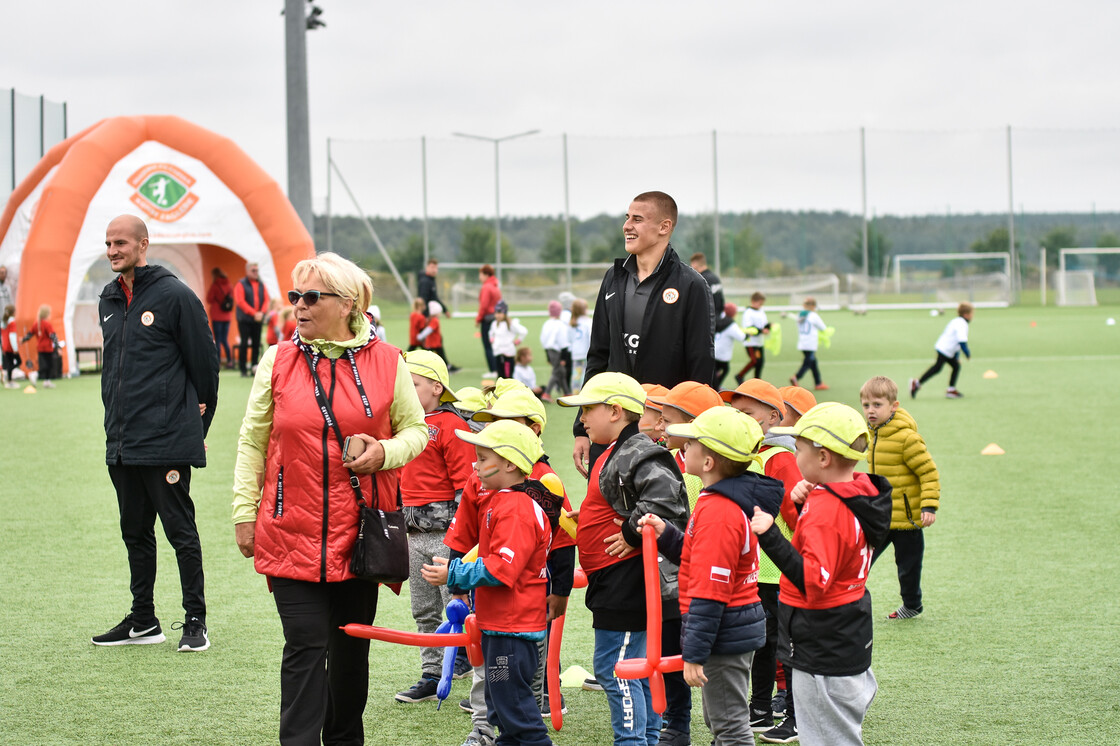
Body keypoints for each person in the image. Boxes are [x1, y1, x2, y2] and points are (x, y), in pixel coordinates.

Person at [231, 251, 427, 744]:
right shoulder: (277, 359)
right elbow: (253, 439)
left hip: (359, 535)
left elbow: (417, 431)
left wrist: (383, 451)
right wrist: (243, 511)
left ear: (348, 304)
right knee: (304, 644)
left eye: (311, 296)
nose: (298, 305)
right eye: (295, 295)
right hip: (287, 529)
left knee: (348, 653)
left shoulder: (388, 361)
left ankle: (344, 739)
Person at [91, 214, 220, 653]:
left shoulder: (175, 295)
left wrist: (196, 427)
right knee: (134, 532)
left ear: (143, 245)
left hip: (166, 441)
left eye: (121, 242)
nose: (113, 250)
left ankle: (196, 620)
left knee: (180, 531)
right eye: (108, 243)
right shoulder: (108, 298)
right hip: (122, 442)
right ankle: (143, 620)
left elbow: (206, 366)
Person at [558, 372, 690, 746]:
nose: (582, 420)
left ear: (615, 411)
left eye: (587, 410)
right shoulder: (617, 450)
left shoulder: (637, 449)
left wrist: (632, 533)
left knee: (615, 668)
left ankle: (631, 742)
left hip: (625, 578)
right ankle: (644, 740)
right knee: (631, 666)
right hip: (613, 578)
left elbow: (667, 501)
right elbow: (625, 500)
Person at [749, 403, 892, 746]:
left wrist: (769, 535)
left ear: (824, 457)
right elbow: (829, 549)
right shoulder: (853, 492)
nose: (795, 455)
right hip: (846, 633)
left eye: (799, 448)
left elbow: (813, 578)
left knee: (827, 738)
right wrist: (804, 506)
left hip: (824, 643)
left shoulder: (828, 507)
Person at [639, 406, 783, 746]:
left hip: (723, 633)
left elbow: (709, 590)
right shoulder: (717, 499)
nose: (683, 447)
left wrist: (694, 653)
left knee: (730, 727)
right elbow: (697, 556)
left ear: (708, 463)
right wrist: (667, 535)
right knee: (721, 719)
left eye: (691, 443)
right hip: (730, 627)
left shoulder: (719, 511)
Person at [423, 420, 555, 746]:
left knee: (516, 711)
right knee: (500, 708)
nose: (475, 466)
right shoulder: (501, 500)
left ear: (510, 463)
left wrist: (454, 574)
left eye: (482, 459)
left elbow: (501, 569)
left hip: (512, 633)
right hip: (499, 631)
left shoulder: (516, 508)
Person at [573, 191, 715, 478]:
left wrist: (690, 428)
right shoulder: (613, 278)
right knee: (604, 514)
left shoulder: (691, 285)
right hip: (613, 423)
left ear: (664, 227)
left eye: (637, 219)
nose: (627, 225)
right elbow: (598, 356)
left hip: (664, 429)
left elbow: (700, 366)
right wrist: (581, 427)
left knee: (657, 516)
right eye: (627, 218)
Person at [720, 379, 803, 742]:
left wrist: (799, 556)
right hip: (758, 568)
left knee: (780, 641)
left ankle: (790, 712)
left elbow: (798, 513)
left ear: (773, 417)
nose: (740, 419)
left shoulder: (779, 458)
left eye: (747, 414)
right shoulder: (750, 457)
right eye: (735, 413)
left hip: (776, 569)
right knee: (763, 641)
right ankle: (761, 709)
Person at [645, 380, 724, 746]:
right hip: (668, 575)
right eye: (658, 417)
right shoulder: (666, 460)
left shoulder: (710, 471)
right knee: (668, 649)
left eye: (668, 419)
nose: (661, 425)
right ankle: (676, 723)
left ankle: (724, 725)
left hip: (700, 580)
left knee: (706, 656)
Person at [394, 350, 476, 703]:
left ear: (436, 387)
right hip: (413, 534)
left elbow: (465, 487)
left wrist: (460, 538)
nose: (406, 391)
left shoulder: (450, 425)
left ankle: (475, 666)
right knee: (423, 607)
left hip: (446, 535)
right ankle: (431, 672)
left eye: (412, 384)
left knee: (457, 605)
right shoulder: (402, 425)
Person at [860, 375, 940, 620]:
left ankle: (912, 604)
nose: (870, 411)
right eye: (866, 405)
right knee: (860, 560)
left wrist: (928, 506)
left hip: (908, 520)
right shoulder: (871, 434)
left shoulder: (907, 438)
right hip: (881, 516)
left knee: (908, 568)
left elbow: (928, 472)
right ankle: (847, 602)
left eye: (877, 405)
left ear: (893, 406)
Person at [911, 302, 973, 399]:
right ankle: (917, 383)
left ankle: (951, 390)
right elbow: (962, 342)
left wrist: (956, 356)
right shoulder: (962, 324)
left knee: (955, 366)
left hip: (945, 348)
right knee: (938, 368)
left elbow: (956, 341)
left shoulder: (956, 320)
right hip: (945, 349)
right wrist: (967, 353)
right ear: (966, 314)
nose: (972, 316)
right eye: (971, 314)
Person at [234, 261, 269, 377]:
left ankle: (255, 367)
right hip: (244, 319)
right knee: (244, 343)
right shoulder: (241, 284)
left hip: (257, 319)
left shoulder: (261, 284)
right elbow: (240, 301)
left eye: (257, 270)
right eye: (253, 270)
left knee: (256, 343)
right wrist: (254, 313)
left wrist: (262, 313)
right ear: (247, 271)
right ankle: (243, 368)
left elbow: (266, 300)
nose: (255, 273)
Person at [789, 297, 828, 391]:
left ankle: (818, 383)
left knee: (813, 363)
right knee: (808, 363)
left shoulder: (799, 315)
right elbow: (823, 327)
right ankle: (796, 377)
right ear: (813, 306)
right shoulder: (813, 315)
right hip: (810, 343)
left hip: (802, 343)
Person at [735, 292, 770, 383]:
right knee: (754, 361)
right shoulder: (748, 313)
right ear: (754, 301)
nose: (761, 305)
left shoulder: (761, 311)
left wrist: (769, 327)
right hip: (750, 342)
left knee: (760, 362)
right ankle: (739, 375)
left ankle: (757, 381)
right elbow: (749, 328)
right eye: (760, 303)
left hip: (759, 342)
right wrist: (761, 331)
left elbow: (764, 323)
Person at [540, 300, 571, 399]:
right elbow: (563, 342)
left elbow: (543, 339)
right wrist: (564, 358)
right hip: (557, 352)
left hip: (549, 351)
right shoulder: (560, 325)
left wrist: (547, 356)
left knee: (561, 372)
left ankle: (566, 392)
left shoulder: (547, 324)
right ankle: (547, 393)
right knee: (556, 372)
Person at [22, 304, 59, 388]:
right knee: (48, 365)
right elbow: (52, 335)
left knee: (45, 365)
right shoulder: (47, 324)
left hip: (40, 348)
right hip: (47, 348)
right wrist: (58, 346)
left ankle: (47, 381)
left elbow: (29, 334)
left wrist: (23, 340)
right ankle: (35, 374)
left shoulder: (36, 323)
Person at [489, 300, 526, 380]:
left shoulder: (510, 324)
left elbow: (523, 331)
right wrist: (492, 339)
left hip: (508, 355)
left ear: (505, 313)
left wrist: (518, 340)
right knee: (500, 377)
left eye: (500, 313)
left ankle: (508, 392)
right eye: (496, 313)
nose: (498, 315)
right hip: (498, 353)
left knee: (508, 377)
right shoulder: (494, 324)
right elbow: (491, 333)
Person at [205, 266, 235, 368]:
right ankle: (230, 361)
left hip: (217, 315)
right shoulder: (229, 285)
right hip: (227, 316)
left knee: (217, 339)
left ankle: (217, 362)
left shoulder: (215, 285)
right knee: (224, 339)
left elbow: (209, 299)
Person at [712, 302, 745, 389]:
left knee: (716, 370)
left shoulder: (720, 320)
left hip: (714, 350)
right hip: (722, 354)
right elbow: (741, 337)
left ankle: (715, 385)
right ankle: (716, 387)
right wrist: (748, 335)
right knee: (725, 369)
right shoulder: (731, 325)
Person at [476, 263, 501, 375]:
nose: (479, 277)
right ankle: (497, 368)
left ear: (486, 274)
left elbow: (484, 305)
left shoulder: (486, 287)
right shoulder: (495, 286)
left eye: (480, 274)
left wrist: (478, 319)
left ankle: (493, 369)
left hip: (487, 319)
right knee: (495, 343)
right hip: (495, 318)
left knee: (488, 345)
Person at [568, 297, 592, 390]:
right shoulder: (588, 322)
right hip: (586, 352)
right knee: (586, 374)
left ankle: (575, 393)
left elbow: (570, 339)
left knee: (576, 375)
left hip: (576, 353)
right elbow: (591, 337)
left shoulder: (572, 323)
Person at [2, 304, 20, 388]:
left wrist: (2, 347)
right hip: (10, 347)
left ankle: (8, 377)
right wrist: (15, 348)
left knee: (9, 363)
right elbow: (12, 336)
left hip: (5, 346)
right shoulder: (12, 322)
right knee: (19, 361)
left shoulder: (3, 322)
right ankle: (8, 378)